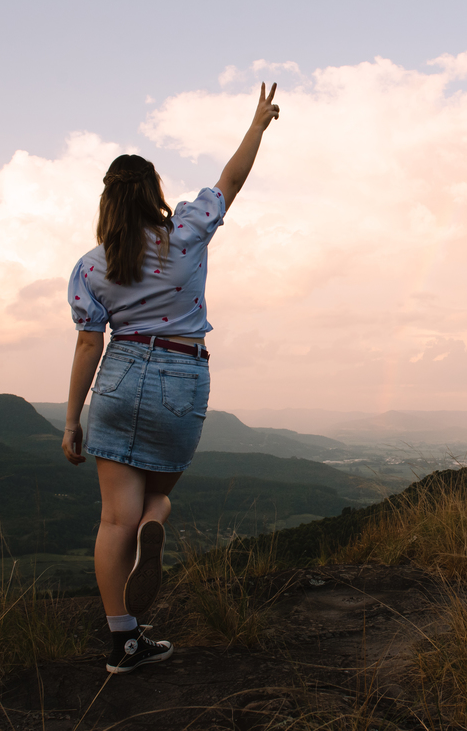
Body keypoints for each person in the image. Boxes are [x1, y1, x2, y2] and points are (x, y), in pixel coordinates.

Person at [61, 83, 280, 674]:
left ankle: (123, 642)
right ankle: (156, 525)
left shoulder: (91, 265)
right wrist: (257, 125)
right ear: (155, 192)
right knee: (156, 496)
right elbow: (229, 181)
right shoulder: (185, 233)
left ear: (108, 201)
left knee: (113, 518)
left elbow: (88, 342)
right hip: (180, 373)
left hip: (118, 374)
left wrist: (71, 419)